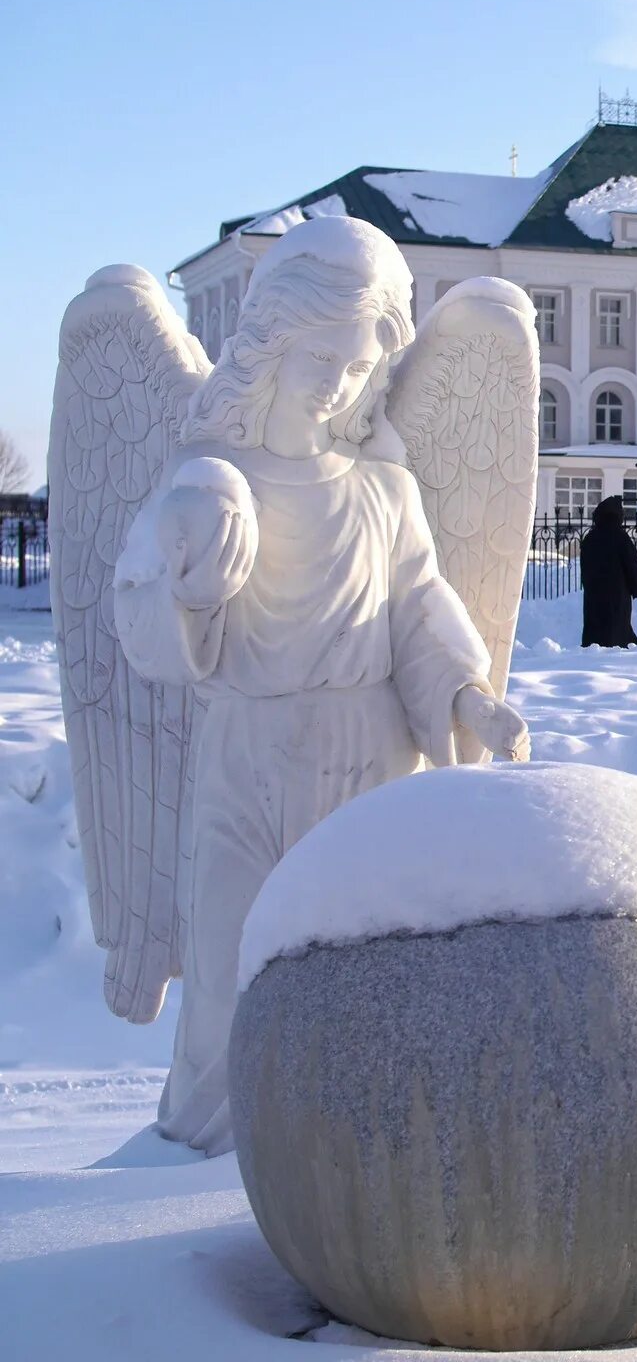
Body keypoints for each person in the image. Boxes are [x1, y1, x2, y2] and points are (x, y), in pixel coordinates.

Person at [115, 218, 530, 1154]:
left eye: (358, 364)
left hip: (369, 761)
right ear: (274, 340)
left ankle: (363, 1165)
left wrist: (467, 693)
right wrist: (181, 562)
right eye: (321, 357)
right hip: (245, 763)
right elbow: (147, 630)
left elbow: (421, 605)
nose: (340, 382)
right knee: (228, 982)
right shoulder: (207, 480)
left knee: (365, 969)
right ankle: (199, 1170)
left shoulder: (383, 491)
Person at [580, 493, 637, 647]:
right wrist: (636, 589)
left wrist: (587, 584)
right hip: (617, 591)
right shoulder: (621, 538)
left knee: (596, 625)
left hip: (594, 592)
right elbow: (631, 565)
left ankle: (593, 646)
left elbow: (584, 566)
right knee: (617, 625)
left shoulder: (590, 538)